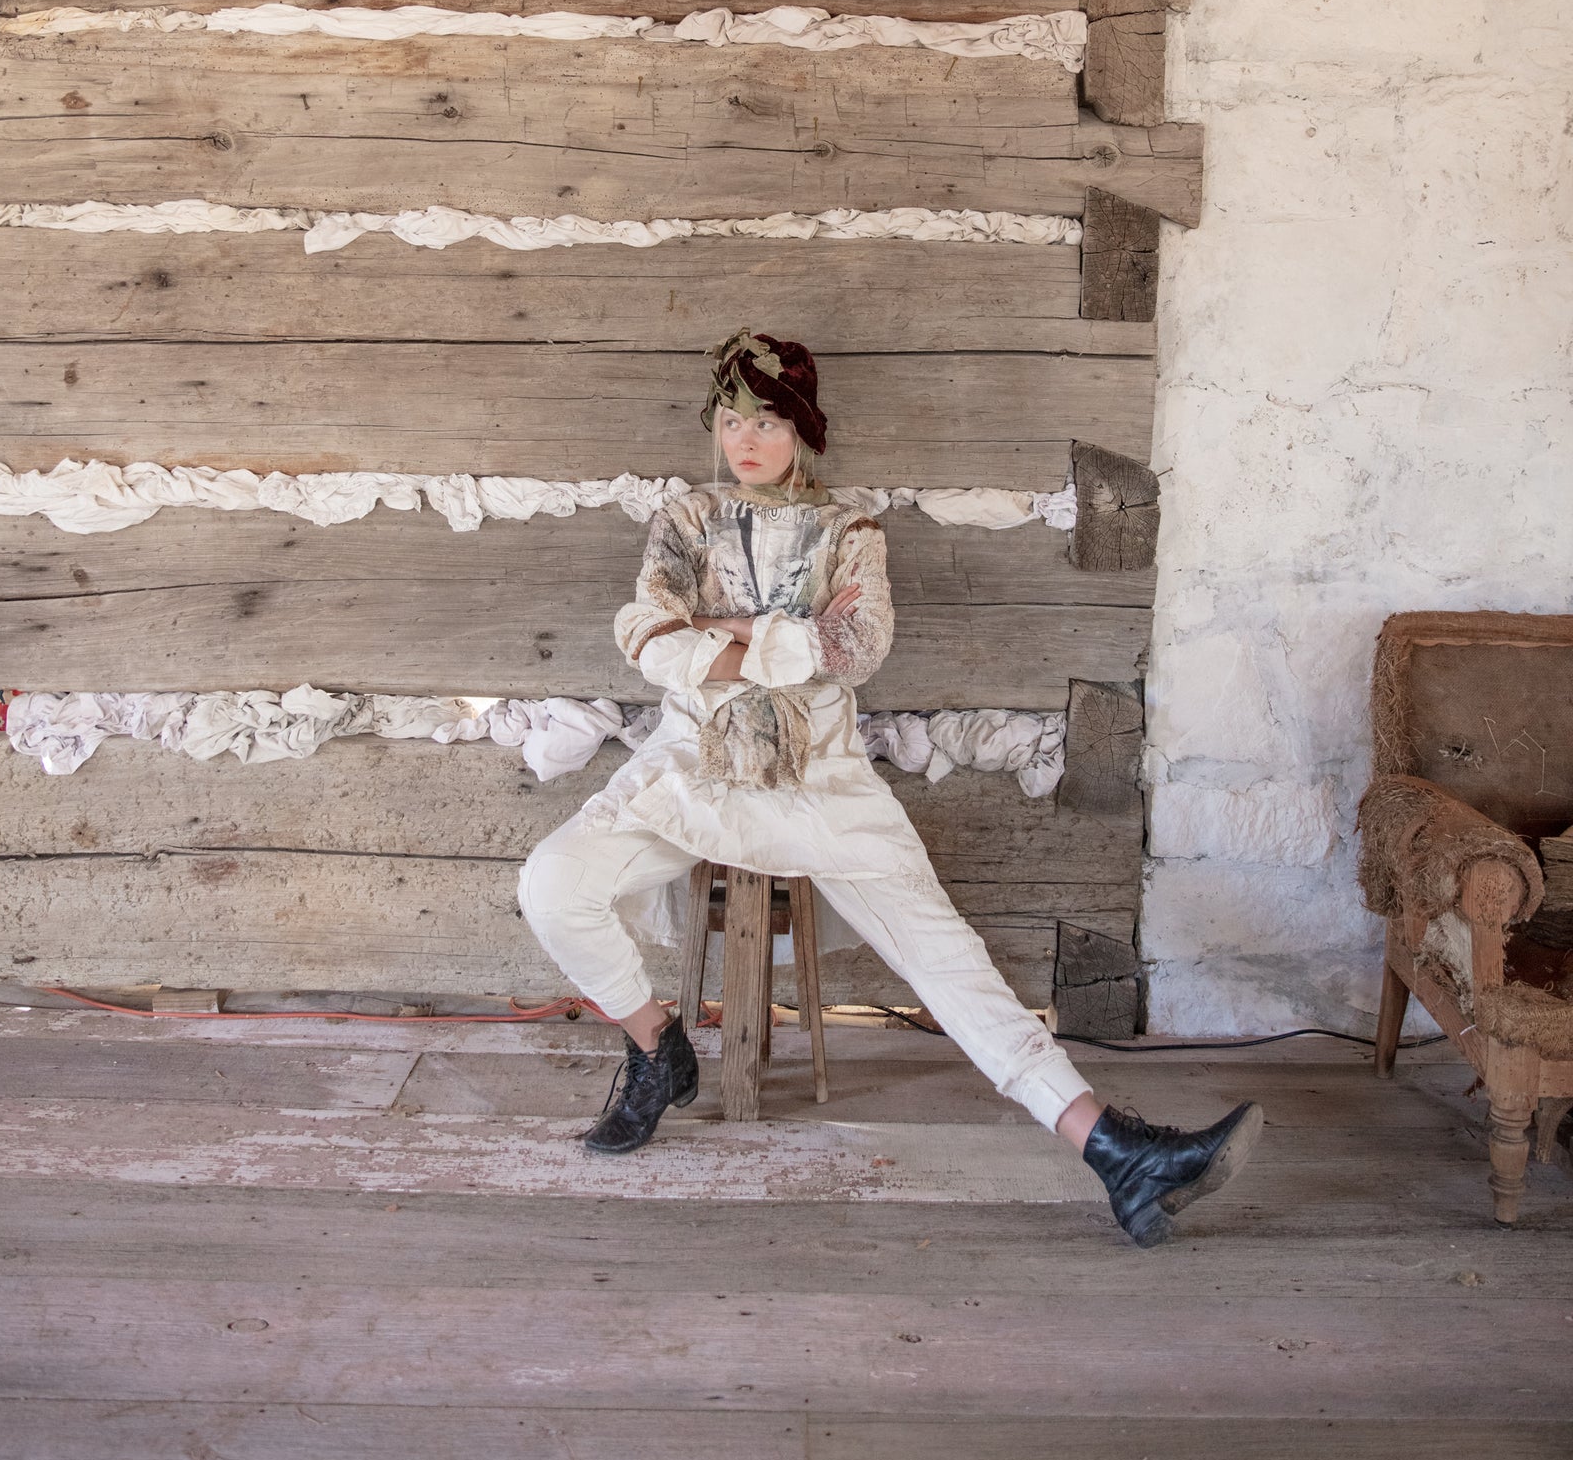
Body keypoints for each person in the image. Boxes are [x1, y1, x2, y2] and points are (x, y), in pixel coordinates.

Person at [519, 328, 1262, 1246]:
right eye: (731, 419)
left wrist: (723, 630)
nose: (745, 438)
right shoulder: (685, 521)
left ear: (803, 430)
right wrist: (784, 638)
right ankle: (655, 1047)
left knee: (948, 959)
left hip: (821, 782)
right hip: (693, 765)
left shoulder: (849, 532)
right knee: (552, 884)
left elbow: (858, 647)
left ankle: (1114, 1150)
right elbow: (648, 637)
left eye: (767, 421)